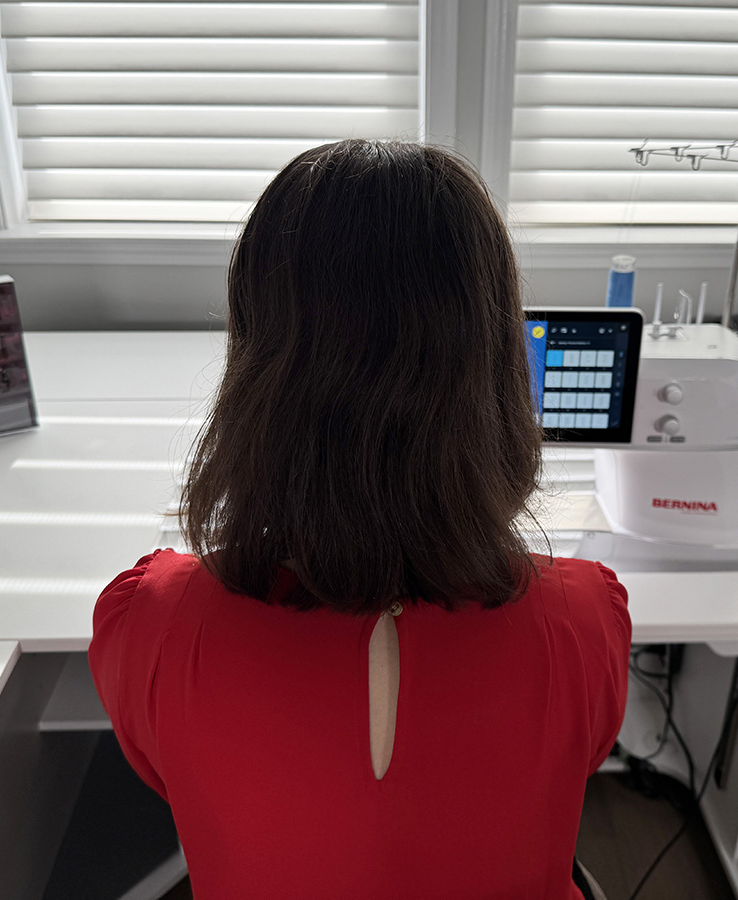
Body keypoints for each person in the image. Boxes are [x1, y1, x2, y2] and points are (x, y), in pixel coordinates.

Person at [89, 139, 631, 900]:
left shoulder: (154, 624)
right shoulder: (585, 622)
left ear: (255, 362)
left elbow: (166, 773)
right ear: (497, 364)